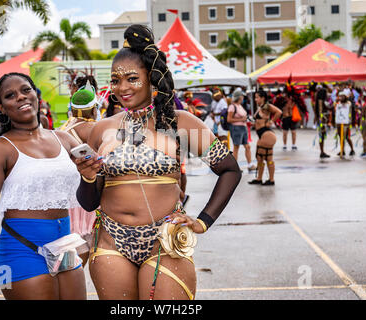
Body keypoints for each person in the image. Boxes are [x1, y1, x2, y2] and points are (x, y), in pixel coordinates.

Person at [74, 24, 241, 300]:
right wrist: (88, 177)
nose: (122, 87)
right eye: (115, 80)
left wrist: (202, 221)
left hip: (165, 241)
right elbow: (89, 201)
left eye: (131, 78)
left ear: (151, 78)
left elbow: (230, 170)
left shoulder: (180, 123)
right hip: (111, 241)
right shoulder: (101, 129)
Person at [0, 72, 87, 300]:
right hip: (18, 251)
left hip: (64, 246)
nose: (21, 97)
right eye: (11, 95)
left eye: (25, 90)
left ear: (36, 95)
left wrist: (92, 174)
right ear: (1, 108)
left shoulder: (65, 140)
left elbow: (91, 192)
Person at [60, 78, 100, 266]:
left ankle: (67, 282)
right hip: (86, 190)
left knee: (72, 240)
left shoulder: (63, 128)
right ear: (93, 109)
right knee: (85, 240)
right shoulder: (94, 128)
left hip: (68, 193)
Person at [248, 89, 282, 186]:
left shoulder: (267, 106)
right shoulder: (261, 107)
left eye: (257, 97)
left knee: (264, 157)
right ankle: (262, 178)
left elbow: (278, 112)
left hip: (266, 135)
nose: (255, 99)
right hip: (264, 134)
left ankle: (269, 179)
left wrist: (271, 121)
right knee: (262, 158)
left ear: (262, 98)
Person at [227, 89, 256, 172]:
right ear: (239, 97)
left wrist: (245, 120)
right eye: (242, 96)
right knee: (236, 147)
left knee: (247, 146)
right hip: (236, 128)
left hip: (243, 128)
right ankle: (235, 167)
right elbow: (229, 119)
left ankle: (250, 164)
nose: (243, 98)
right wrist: (241, 119)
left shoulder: (240, 106)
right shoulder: (232, 106)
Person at [335, 91, 355, 158]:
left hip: (346, 123)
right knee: (340, 137)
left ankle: (352, 149)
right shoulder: (338, 104)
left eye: (342, 96)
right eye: (340, 96)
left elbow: (349, 113)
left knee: (346, 137)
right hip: (339, 122)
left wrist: (350, 122)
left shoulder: (348, 104)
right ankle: (342, 150)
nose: (341, 97)